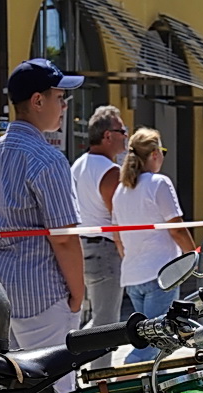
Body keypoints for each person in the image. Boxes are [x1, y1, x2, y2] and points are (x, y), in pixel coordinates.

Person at [0, 58, 85, 389]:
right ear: (37, 101)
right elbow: (64, 238)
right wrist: (77, 293)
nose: (64, 106)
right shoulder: (48, 159)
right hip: (41, 293)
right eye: (59, 97)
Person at [109, 129, 195, 363]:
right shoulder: (159, 183)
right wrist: (194, 255)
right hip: (161, 274)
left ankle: (154, 387)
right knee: (157, 341)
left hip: (133, 275)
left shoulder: (121, 190)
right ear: (155, 153)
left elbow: (118, 238)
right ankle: (124, 379)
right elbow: (176, 228)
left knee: (149, 338)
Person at [69, 105, 127, 334]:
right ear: (107, 135)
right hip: (104, 249)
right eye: (122, 131)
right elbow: (118, 218)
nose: (125, 137)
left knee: (89, 317)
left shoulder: (78, 165)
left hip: (81, 247)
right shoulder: (110, 171)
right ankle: (96, 369)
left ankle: (77, 364)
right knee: (106, 323)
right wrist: (126, 253)